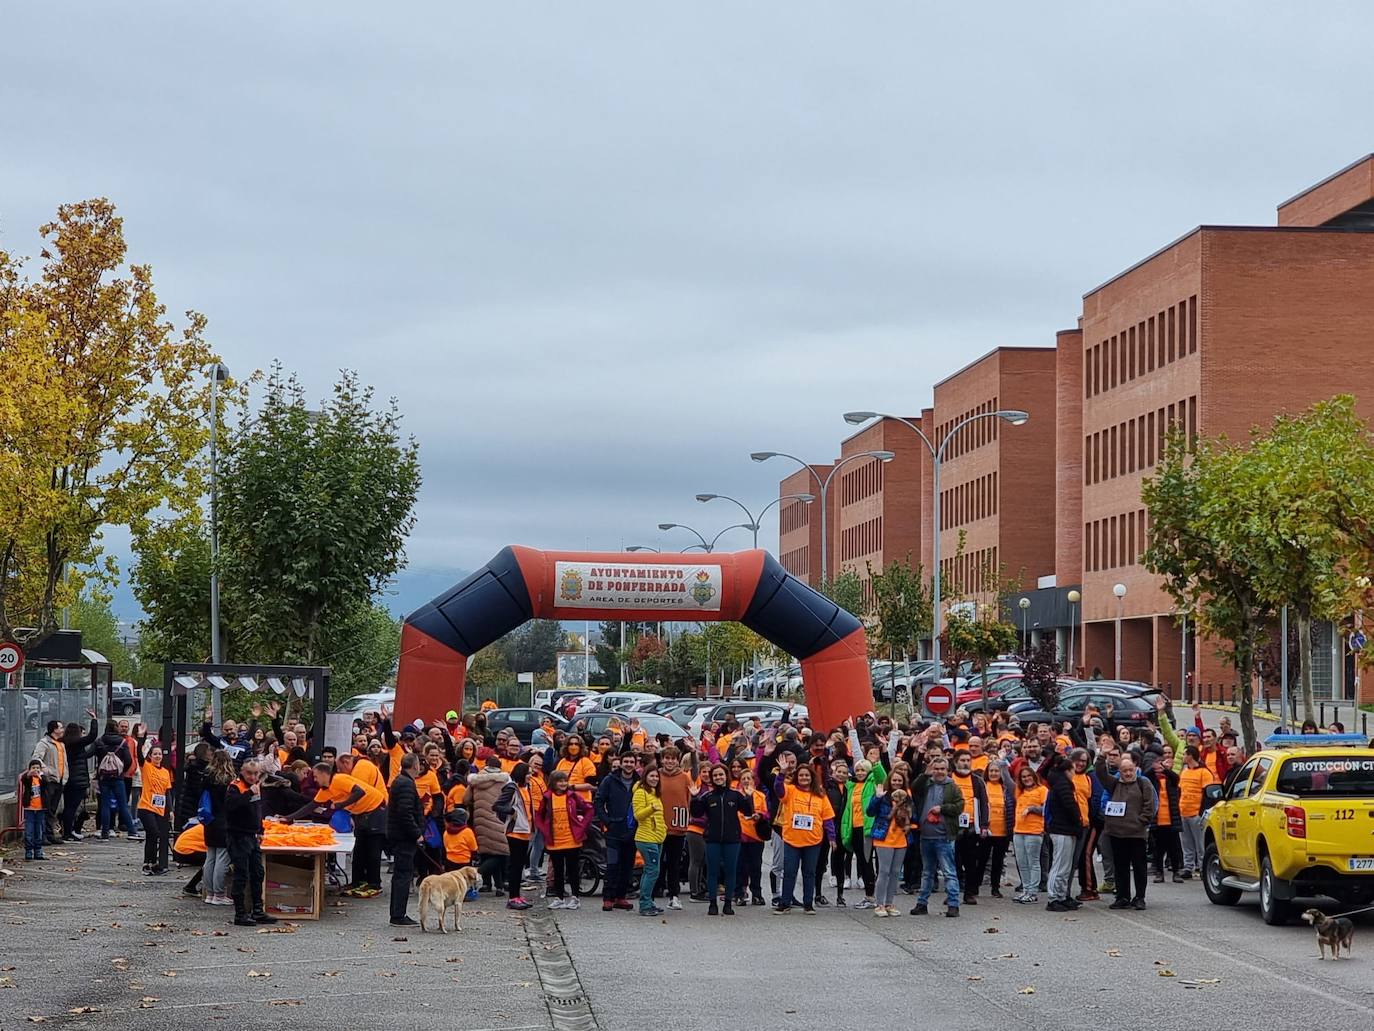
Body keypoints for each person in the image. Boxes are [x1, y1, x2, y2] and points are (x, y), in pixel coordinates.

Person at [290, 762, 388, 898]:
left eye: (316, 776)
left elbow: (360, 791)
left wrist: (341, 805)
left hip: (376, 809)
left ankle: (374, 884)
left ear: (325, 774)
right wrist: (288, 818)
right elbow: (311, 806)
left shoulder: (339, 779)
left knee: (373, 851)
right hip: (361, 813)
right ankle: (357, 882)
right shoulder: (326, 790)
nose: (315, 780)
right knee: (359, 851)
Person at [1094, 752, 1158, 910]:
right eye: (1125, 771)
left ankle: (1140, 897)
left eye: (1131, 770)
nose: (1128, 773)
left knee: (1139, 867)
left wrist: (1141, 821)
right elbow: (1100, 773)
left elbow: (1150, 805)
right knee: (1120, 867)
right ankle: (1122, 896)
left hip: (1137, 834)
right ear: (1120, 772)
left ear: (1135, 769)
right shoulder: (1114, 783)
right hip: (1116, 833)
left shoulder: (1144, 783)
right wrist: (1102, 756)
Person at [690, 763, 753, 916]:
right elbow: (696, 813)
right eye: (716, 775)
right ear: (712, 778)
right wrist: (694, 797)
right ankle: (712, 903)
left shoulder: (735, 795)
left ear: (726, 776)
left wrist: (749, 796)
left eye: (721, 775)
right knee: (712, 872)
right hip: (713, 839)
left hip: (732, 840)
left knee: (730, 872)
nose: (718, 777)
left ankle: (728, 904)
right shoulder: (708, 796)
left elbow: (748, 811)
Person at [772, 762, 834, 915]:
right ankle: (785, 903)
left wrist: (832, 837)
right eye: (801, 775)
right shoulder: (790, 791)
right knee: (790, 872)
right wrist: (782, 773)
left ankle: (808, 904)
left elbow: (827, 818)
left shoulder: (820, 795)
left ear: (812, 777)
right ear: (796, 778)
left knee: (809, 872)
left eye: (807, 775)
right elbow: (778, 789)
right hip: (792, 839)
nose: (804, 778)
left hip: (813, 840)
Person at [909, 757, 965, 918]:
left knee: (949, 871)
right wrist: (924, 775)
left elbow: (959, 806)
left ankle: (953, 904)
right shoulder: (927, 783)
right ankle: (922, 903)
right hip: (925, 835)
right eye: (936, 768)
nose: (939, 772)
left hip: (944, 836)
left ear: (947, 770)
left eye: (942, 769)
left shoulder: (952, 786)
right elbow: (914, 789)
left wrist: (942, 808)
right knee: (927, 872)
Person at [224, 760, 277, 927]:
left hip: (252, 835)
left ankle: (258, 911)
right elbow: (231, 806)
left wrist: (260, 829)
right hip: (238, 836)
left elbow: (257, 810)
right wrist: (248, 794)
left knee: (258, 873)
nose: (253, 777)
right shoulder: (236, 787)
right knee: (241, 875)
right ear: (243, 772)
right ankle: (240, 914)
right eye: (250, 774)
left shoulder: (255, 787)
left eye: (256, 774)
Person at [533, 770, 594, 909]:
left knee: (573, 870)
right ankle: (559, 897)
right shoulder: (547, 798)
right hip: (555, 842)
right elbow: (539, 816)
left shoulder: (573, 796)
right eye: (560, 781)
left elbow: (589, 810)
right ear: (553, 783)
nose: (563, 783)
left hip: (572, 840)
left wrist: (582, 826)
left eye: (565, 781)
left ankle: (575, 898)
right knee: (558, 871)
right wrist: (544, 830)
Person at [594, 752, 639, 912]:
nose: (628, 764)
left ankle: (621, 897)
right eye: (625, 761)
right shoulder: (610, 780)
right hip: (614, 830)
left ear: (635, 763)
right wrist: (607, 820)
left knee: (627, 866)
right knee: (612, 865)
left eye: (631, 761)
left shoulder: (639, 782)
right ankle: (608, 898)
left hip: (632, 830)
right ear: (620, 763)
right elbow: (599, 801)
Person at [1043, 751, 1084, 912]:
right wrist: (1078, 822)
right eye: (1073, 770)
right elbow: (1070, 806)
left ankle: (1061, 896)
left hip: (1065, 829)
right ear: (1067, 771)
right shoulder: (1063, 785)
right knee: (1060, 865)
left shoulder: (1059, 783)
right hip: (1062, 830)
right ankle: (1053, 897)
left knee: (1064, 866)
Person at [387, 753, 425, 926]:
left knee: (401, 874)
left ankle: (397, 912)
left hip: (399, 835)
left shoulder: (402, 781)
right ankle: (398, 914)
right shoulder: (406, 784)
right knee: (403, 875)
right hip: (404, 837)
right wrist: (416, 833)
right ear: (414, 765)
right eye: (418, 764)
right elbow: (405, 813)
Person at [865, 777, 912, 917]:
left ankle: (889, 903)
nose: (897, 783)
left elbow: (912, 816)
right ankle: (879, 904)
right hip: (884, 838)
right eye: (894, 780)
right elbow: (870, 812)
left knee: (896, 872)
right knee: (884, 871)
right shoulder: (883, 796)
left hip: (901, 839)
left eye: (900, 781)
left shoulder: (907, 799)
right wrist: (877, 798)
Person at [494, 761, 535, 910]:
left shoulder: (526, 787)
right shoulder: (512, 788)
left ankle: (517, 895)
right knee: (515, 866)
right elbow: (497, 805)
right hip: (515, 832)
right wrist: (512, 812)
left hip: (526, 831)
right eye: (528, 773)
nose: (530, 776)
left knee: (519, 866)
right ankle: (512, 897)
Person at [468, 758, 512, 895]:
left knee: (486, 852)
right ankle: (479, 874)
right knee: (500, 853)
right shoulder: (505, 780)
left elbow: (466, 799)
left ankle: (489, 885)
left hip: (480, 819)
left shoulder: (475, 780)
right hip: (498, 818)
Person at [198, 750, 235, 906]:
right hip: (223, 821)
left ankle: (210, 893)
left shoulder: (206, 777)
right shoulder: (228, 781)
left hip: (209, 820)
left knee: (210, 858)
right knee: (222, 858)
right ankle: (219, 894)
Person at [974, 757, 1015, 899]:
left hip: (1002, 830)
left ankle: (995, 887)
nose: (993, 773)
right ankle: (975, 886)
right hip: (986, 830)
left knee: (998, 861)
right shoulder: (983, 786)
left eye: (996, 771)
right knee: (982, 860)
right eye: (991, 770)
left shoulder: (1005, 788)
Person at [95, 720, 139, 840]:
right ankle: (132, 831)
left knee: (105, 805)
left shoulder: (100, 741)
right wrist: (121, 771)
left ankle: (105, 833)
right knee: (123, 804)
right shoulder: (122, 742)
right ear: (116, 728)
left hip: (104, 777)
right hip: (118, 777)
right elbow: (129, 760)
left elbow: (89, 753)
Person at [632, 766, 667, 917]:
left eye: (656, 776)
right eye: (651, 776)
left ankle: (648, 902)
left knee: (651, 870)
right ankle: (645, 904)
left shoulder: (655, 793)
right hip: (646, 838)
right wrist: (651, 809)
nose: (654, 779)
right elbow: (638, 815)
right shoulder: (640, 793)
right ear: (645, 776)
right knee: (652, 871)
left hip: (657, 837)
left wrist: (663, 828)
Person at [1012, 764, 1047, 904]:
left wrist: (1032, 809)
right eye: (1023, 777)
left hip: (1034, 831)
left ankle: (1032, 892)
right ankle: (1025, 889)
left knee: (1033, 862)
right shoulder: (1020, 791)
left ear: (1034, 776)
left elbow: (1046, 809)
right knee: (1022, 862)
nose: (1026, 779)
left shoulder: (1042, 790)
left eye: (1028, 776)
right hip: (1018, 830)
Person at [60, 713, 99, 841]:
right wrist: (94, 719)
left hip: (67, 779)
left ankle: (66, 830)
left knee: (68, 806)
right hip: (79, 780)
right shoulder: (78, 743)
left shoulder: (63, 743)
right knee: (73, 807)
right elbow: (92, 736)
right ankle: (68, 831)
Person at [1178, 745, 1215, 877]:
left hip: (1196, 813)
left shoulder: (1204, 772)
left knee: (1200, 843)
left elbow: (1208, 794)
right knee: (1186, 843)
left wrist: (1201, 812)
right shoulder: (1184, 771)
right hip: (1184, 812)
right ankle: (1188, 867)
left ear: (1190, 756)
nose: (1182, 757)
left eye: (1184, 754)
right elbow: (1181, 790)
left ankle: (1202, 866)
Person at [735, 768, 769, 907]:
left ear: (754, 781)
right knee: (740, 867)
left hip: (756, 836)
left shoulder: (760, 796)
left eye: (749, 778)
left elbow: (766, 813)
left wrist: (759, 816)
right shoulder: (736, 795)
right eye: (743, 778)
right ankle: (739, 893)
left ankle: (757, 894)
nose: (746, 781)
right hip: (740, 835)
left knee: (756, 867)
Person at [137, 745, 172, 875]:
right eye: (155, 754)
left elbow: (167, 792)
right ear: (150, 756)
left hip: (159, 809)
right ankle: (148, 863)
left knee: (153, 836)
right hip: (146, 807)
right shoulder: (146, 767)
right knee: (153, 832)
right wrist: (140, 739)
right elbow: (139, 756)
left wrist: (171, 810)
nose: (158, 756)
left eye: (160, 754)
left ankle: (151, 864)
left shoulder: (165, 772)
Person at [31, 720, 67, 845]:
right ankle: (42, 835)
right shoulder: (44, 743)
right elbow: (36, 758)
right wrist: (46, 770)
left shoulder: (60, 744)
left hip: (59, 780)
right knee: (46, 809)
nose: (63, 730)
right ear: (54, 729)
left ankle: (50, 834)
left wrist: (65, 776)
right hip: (49, 781)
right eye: (61, 727)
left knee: (52, 809)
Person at [21, 759, 47, 861]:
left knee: (39, 829)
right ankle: (28, 850)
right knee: (29, 830)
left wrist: (40, 776)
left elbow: (46, 783)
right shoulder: (28, 779)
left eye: (37, 768)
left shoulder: (42, 778)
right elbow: (23, 779)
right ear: (29, 769)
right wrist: (29, 774)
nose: (35, 770)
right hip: (30, 808)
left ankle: (38, 850)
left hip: (40, 808)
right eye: (33, 768)